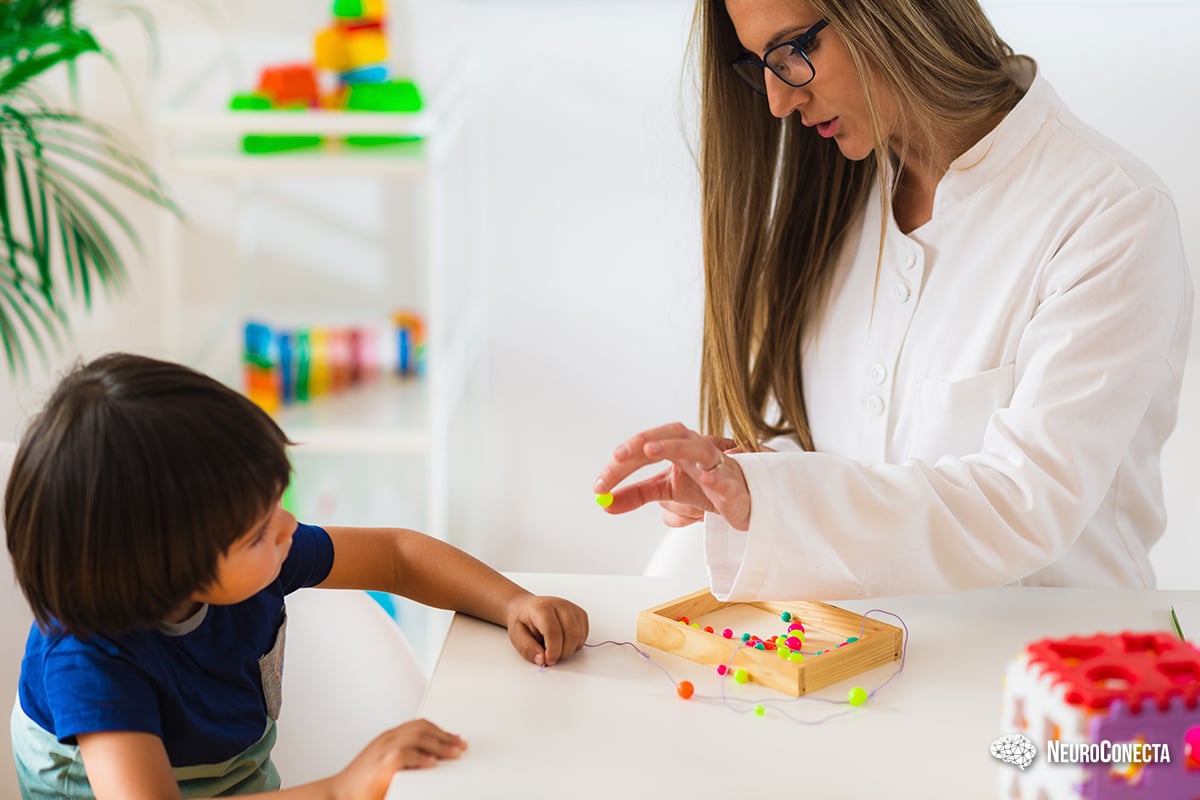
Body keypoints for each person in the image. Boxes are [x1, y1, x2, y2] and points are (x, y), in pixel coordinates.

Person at [593, 0, 1193, 600]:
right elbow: (835, 444)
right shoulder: (839, 196)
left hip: (1056, 669)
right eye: (759, 65)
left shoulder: (1111, 212)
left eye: (796, 50)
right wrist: (740, 481)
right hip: (856, 658)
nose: (778, 102)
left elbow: (1022, 504)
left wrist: (771, 498)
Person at [5, 353, 589, 799]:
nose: (287, 527)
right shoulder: (91, 662)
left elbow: (397, 555)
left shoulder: (263, 557)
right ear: (164, 572)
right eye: (258, 530)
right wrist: (340, 787)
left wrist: (513, 602)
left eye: (276, 504)